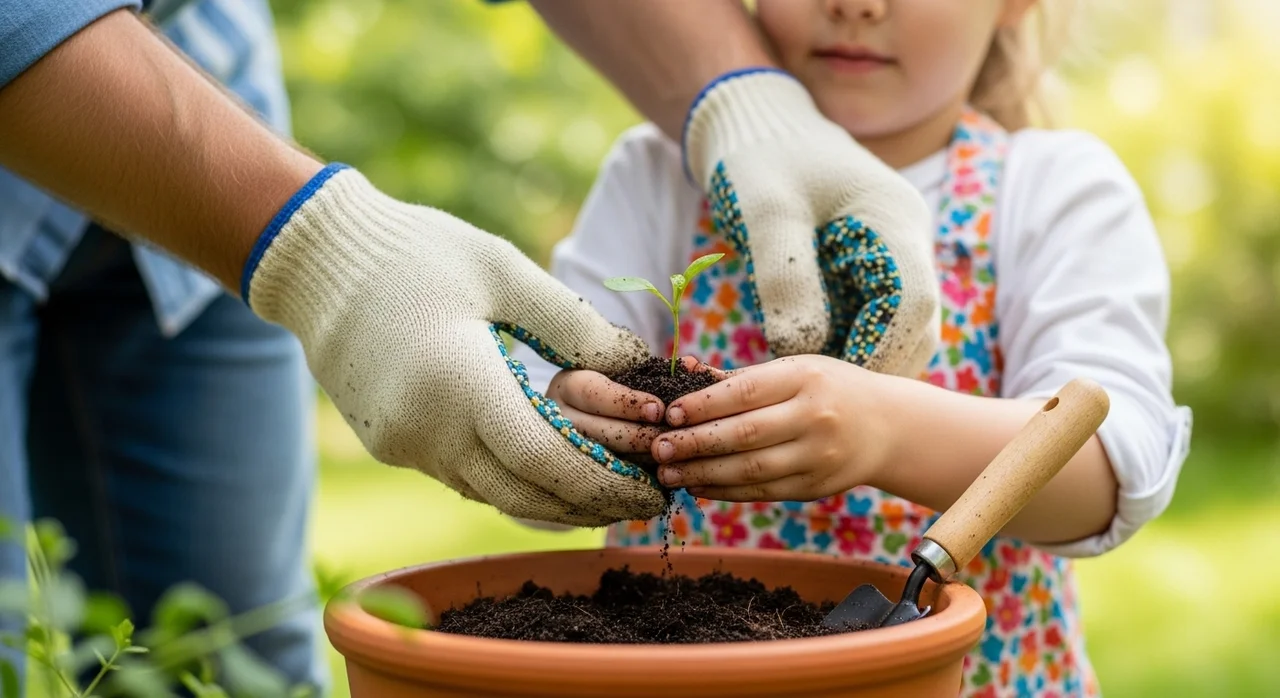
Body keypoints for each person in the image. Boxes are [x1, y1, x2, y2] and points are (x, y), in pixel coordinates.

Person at [0, 0, 945, 693]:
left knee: (229, 649)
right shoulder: (642, 187)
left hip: (187, 73)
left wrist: (743, 100)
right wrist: (322, 250)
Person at [513, 0, 1194, 695]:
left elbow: (1109, 471)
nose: (855, 5)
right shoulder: (660, 175)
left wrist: (885, 432)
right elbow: (521, 413)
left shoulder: (1052, 189)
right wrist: (568, 415)